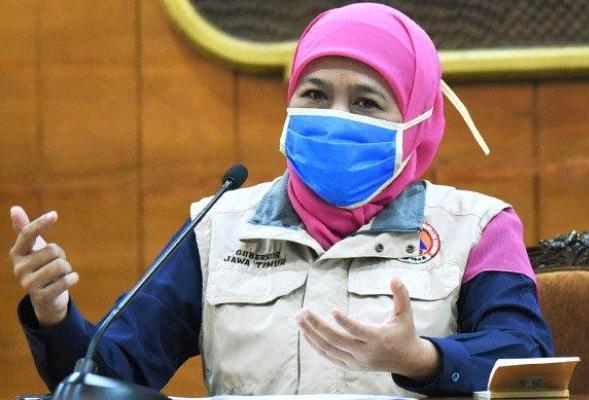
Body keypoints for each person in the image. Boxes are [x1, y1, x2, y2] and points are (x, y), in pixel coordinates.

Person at [10, 3, 553, 397]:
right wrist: (54, 315)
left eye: (366, 103)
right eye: (315, 94)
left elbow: (531, 368)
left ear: (417, 121)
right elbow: (107, 375)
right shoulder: (218, 226)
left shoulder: (477, 227)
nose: (334, 117)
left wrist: (424, 358)